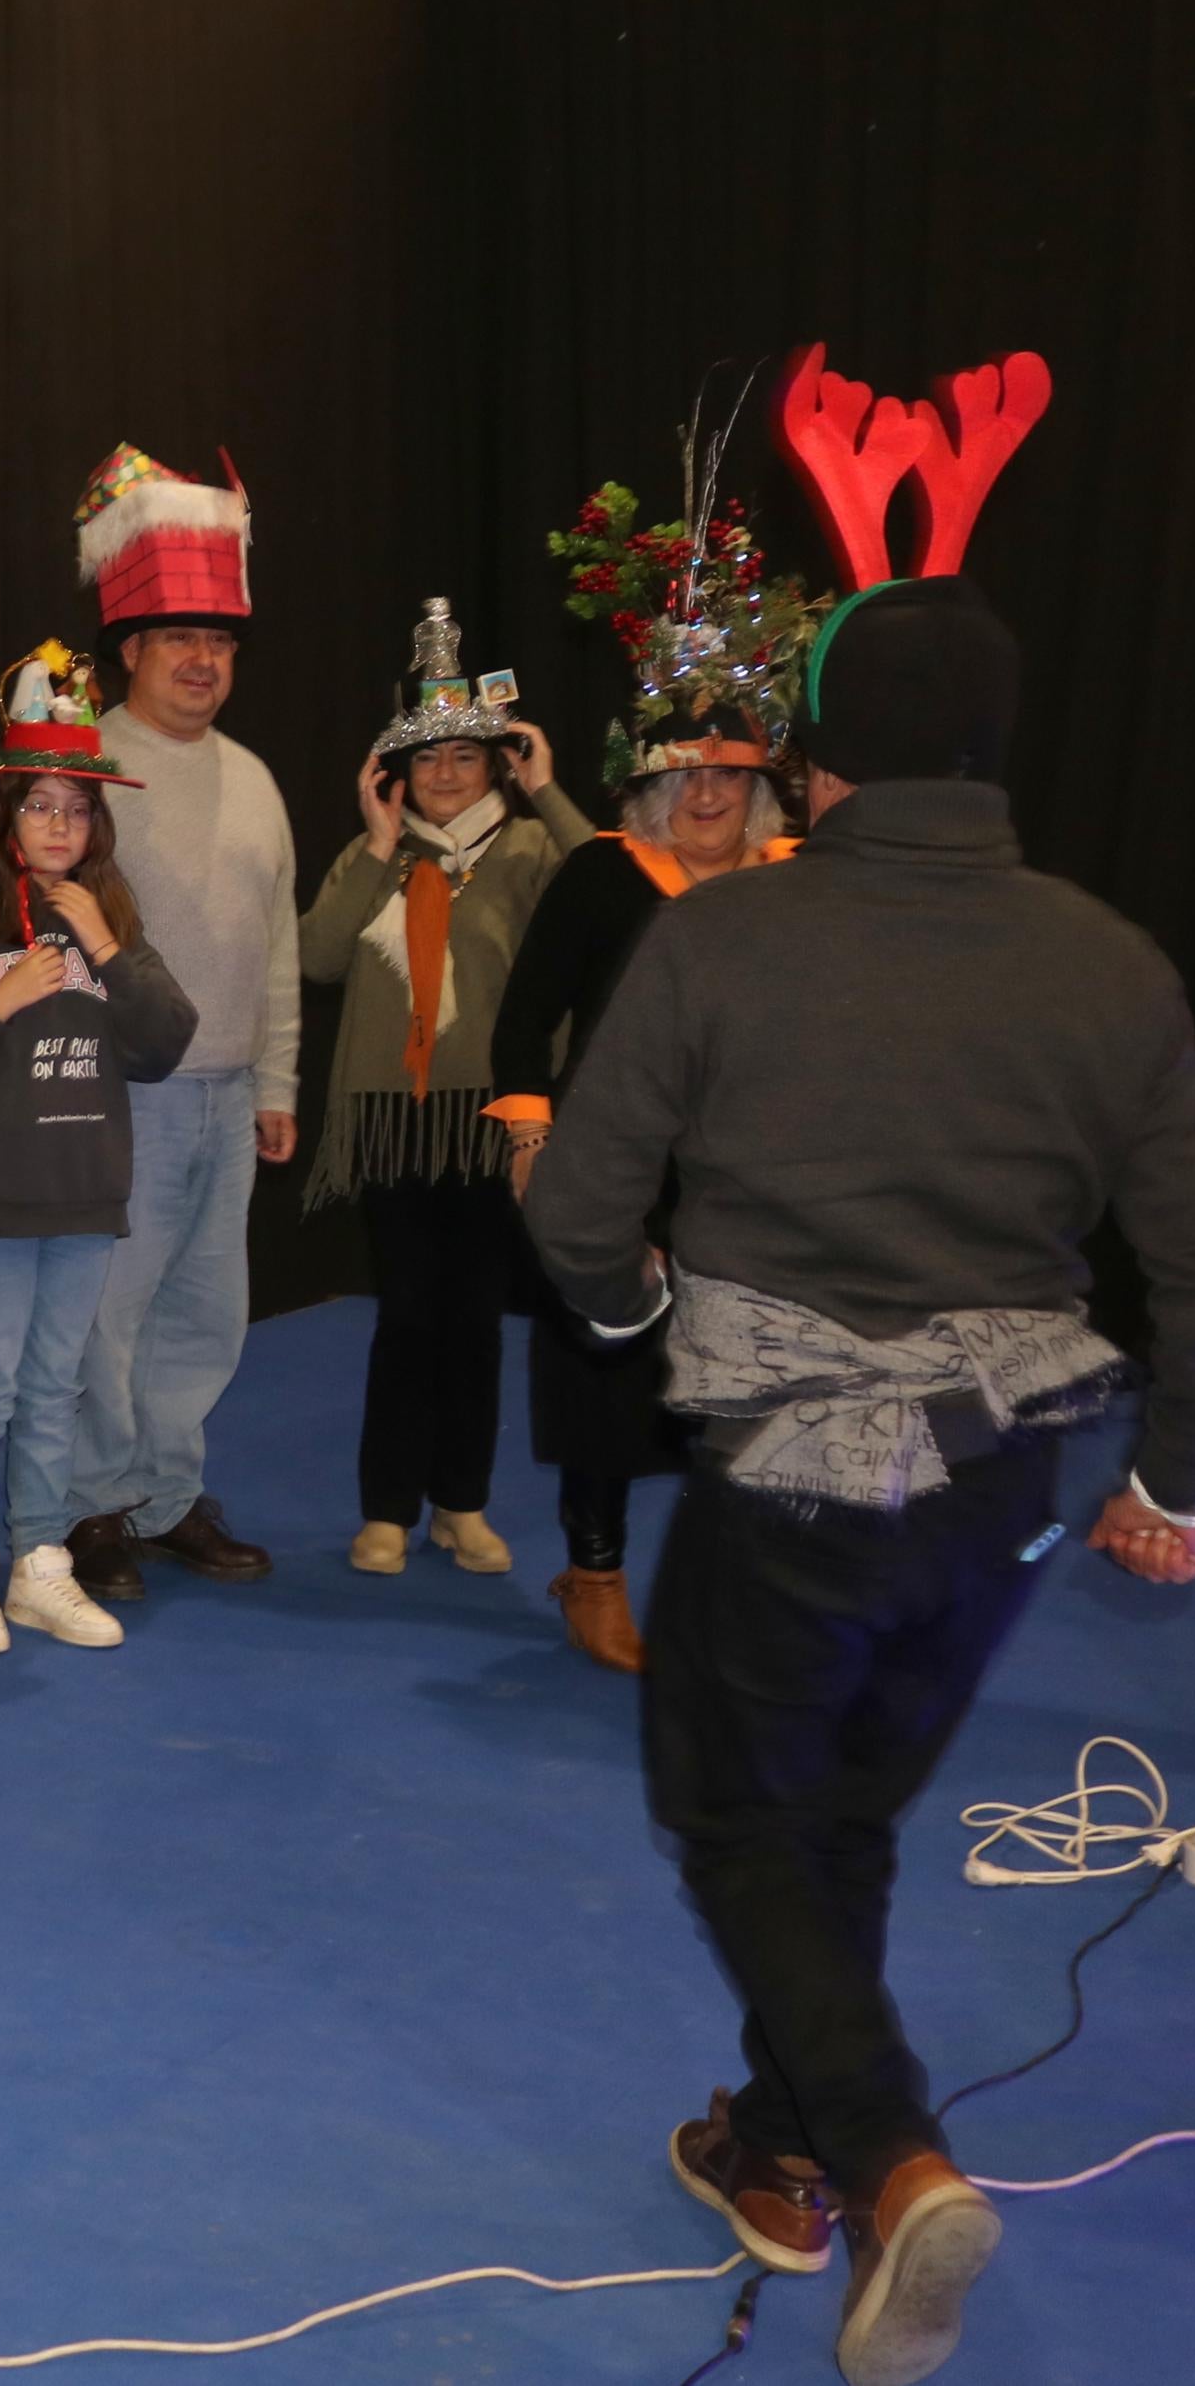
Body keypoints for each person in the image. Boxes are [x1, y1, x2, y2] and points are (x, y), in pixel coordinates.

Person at [527, 569, 1195, 2386]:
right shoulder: (1103, 956)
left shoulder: (720, 938)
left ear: (815, 759)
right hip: (1006, 1477)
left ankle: (884, 2150)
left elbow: (576, 1206)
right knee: (838, 1813)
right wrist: (1176, 1488)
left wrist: (633, 1313)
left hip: (791, 1461)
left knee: (736, 1816)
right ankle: (772, 2153)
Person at [486, 704, 798, 1668]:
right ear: (651, 786)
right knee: (605, 1377)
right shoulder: (603, 872)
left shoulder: (799, 880)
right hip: (618, 1162)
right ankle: (594, 1572)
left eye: (728, 777)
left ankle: (736, 1582)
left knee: (755, 1384)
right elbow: (524, 1015)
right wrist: (531, 1135)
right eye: (685, 778)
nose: (705, 795)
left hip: (752, 1170)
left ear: (758, 787)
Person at [0, 649, 196, 1655]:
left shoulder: (107, 921)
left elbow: (163, 1044)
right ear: (6, 820)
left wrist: (103, 954)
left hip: (79, 1194)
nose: (58, 825)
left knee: (54, 1388)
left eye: (74, 809)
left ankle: (38, 1562)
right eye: (38, 807)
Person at [299, 599, 592, 1575]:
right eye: (424, 760)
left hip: (490, 1120)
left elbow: (605, 893)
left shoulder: (526, 849)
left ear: (494, 761)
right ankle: (386, 1507)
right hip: (393, 1123)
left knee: (472, 1320)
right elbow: (318, 956)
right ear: (396, 774)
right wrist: (376, 841)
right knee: (405, 1317)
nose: (443, 775)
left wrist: (546, 792)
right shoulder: (374, 856)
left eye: (463, 757)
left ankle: (459, 1503)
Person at [62, 447, 286, 1600]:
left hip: (226, 1092)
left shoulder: (252, 776)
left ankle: (161, 1492)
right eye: (180, 641)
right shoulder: (86, 765)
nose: (203, 662)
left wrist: (276, 1083)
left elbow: (279, 941)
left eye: (221, 644)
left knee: (204, 1311)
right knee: (107, 1313)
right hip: (122, 1094)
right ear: (131, 651)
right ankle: (90, 1508)